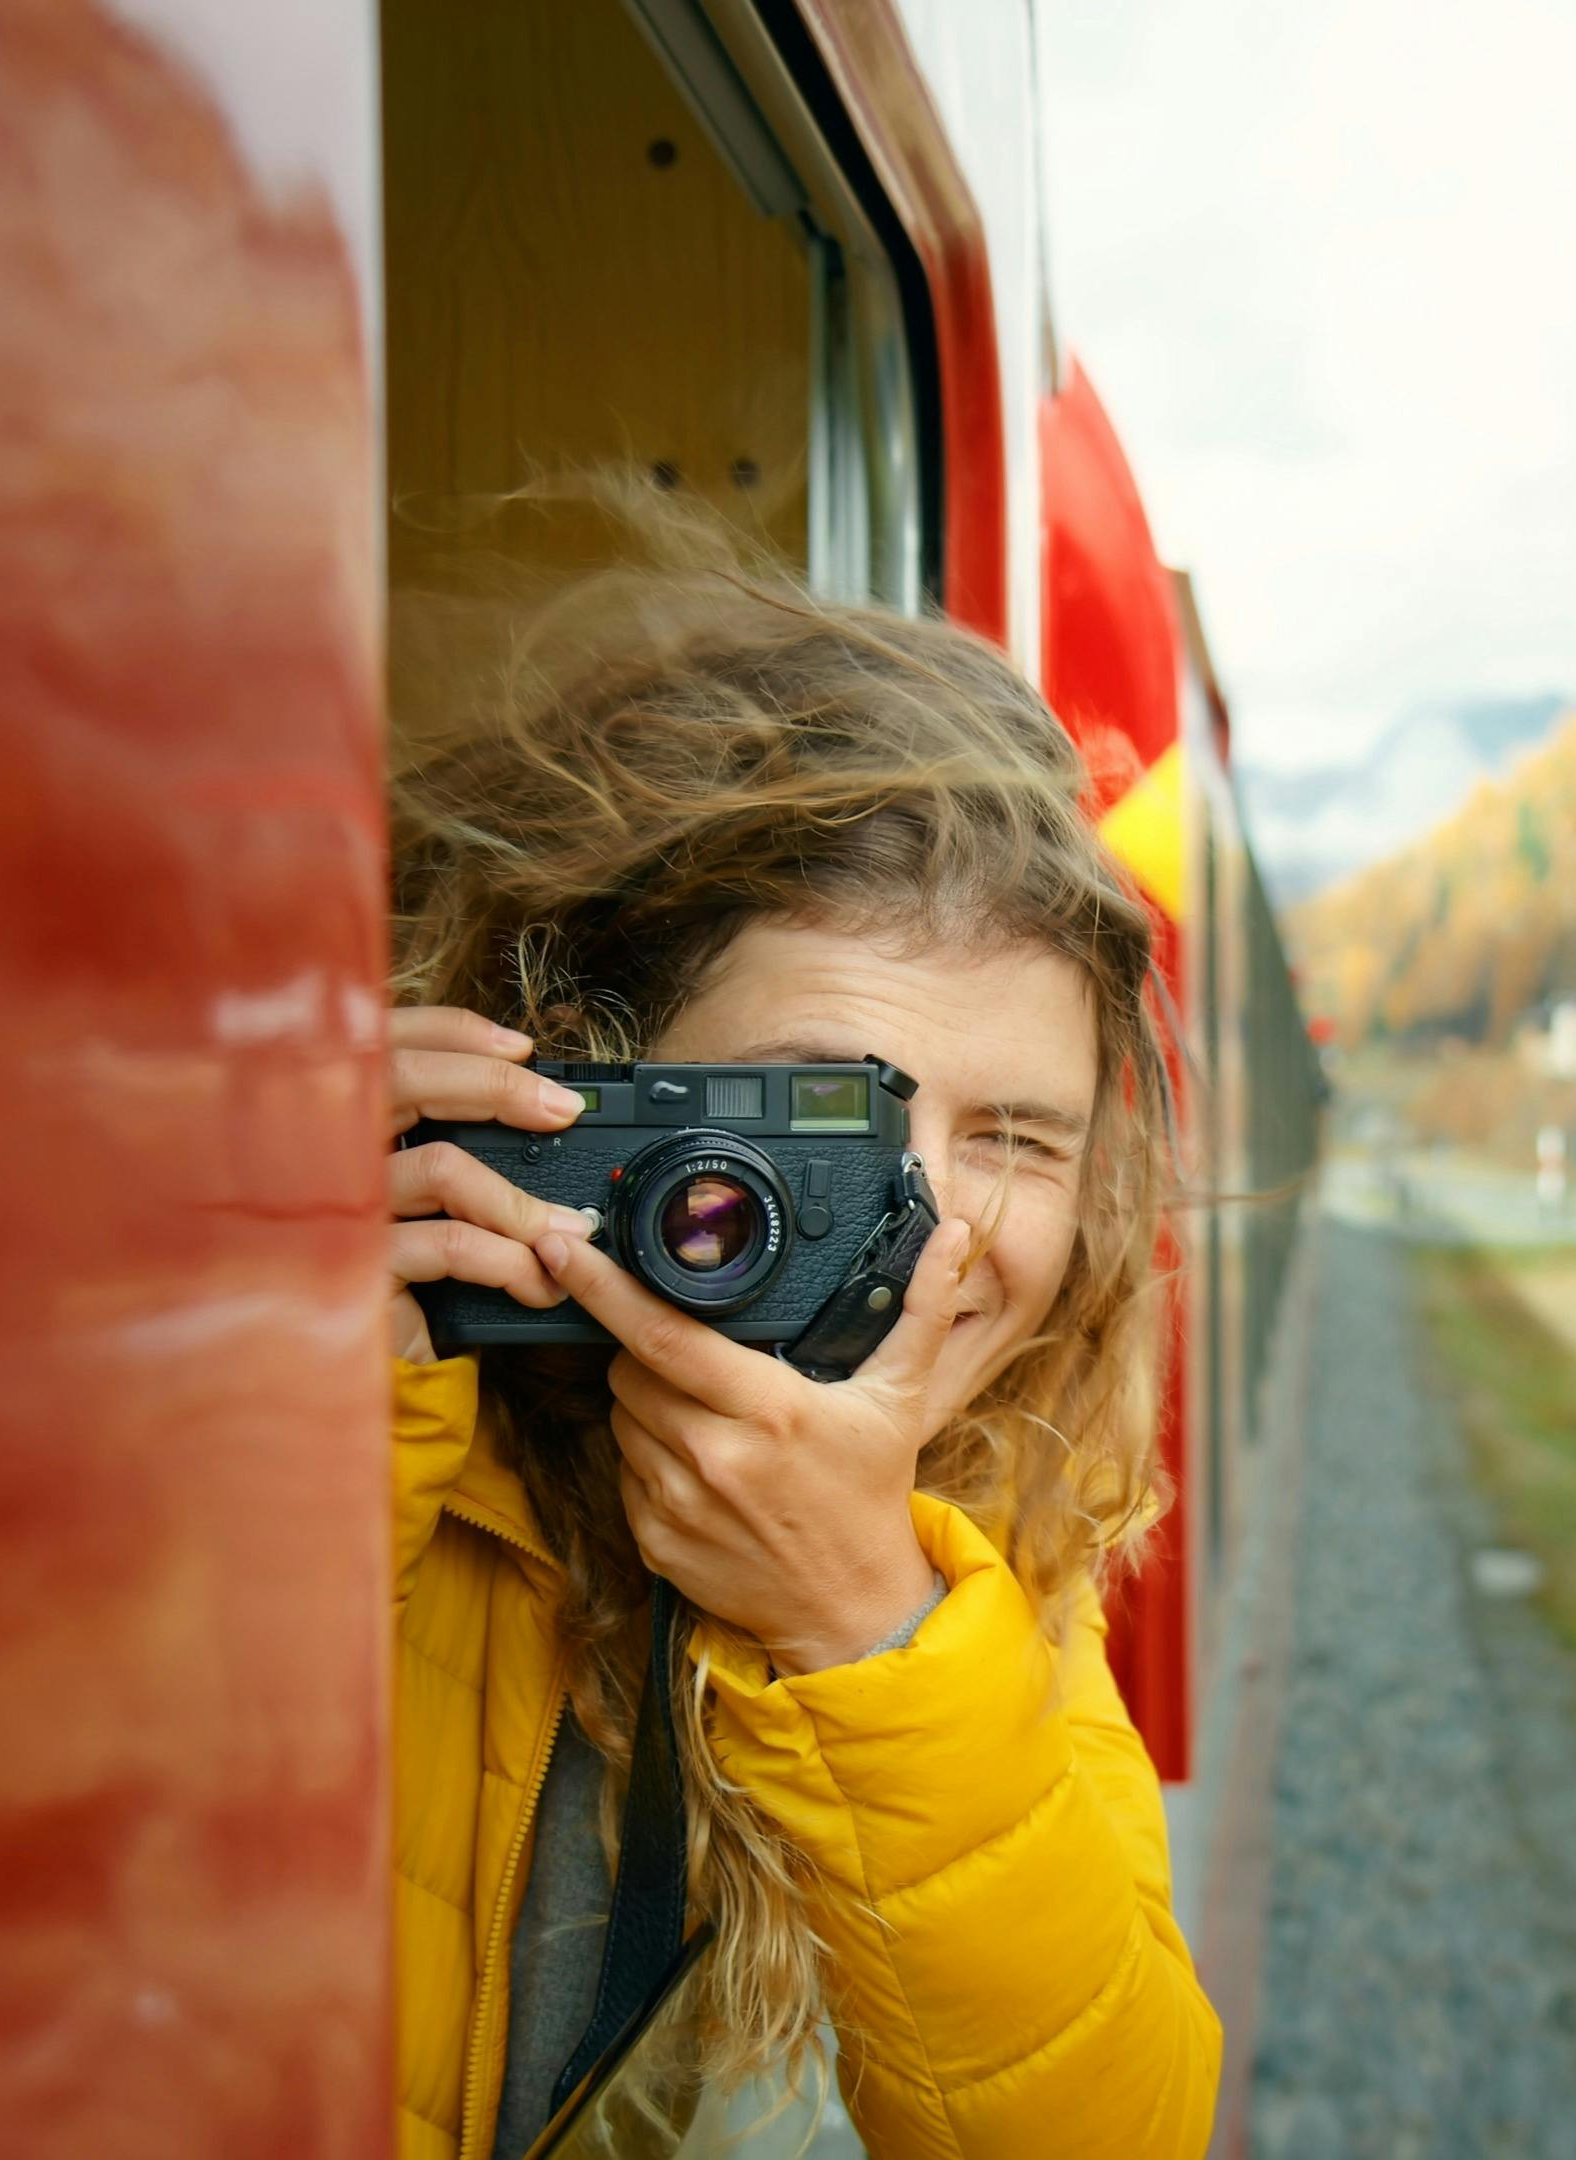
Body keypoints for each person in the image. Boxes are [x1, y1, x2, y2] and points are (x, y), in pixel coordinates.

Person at [379, 525, 1221, 2159]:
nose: (929, 1237)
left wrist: (869, 1632)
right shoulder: (384, 1423)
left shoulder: (993, 1570)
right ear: (586, 1102)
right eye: (823, 1126)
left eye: (1018, 1142)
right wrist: (266, 1379)